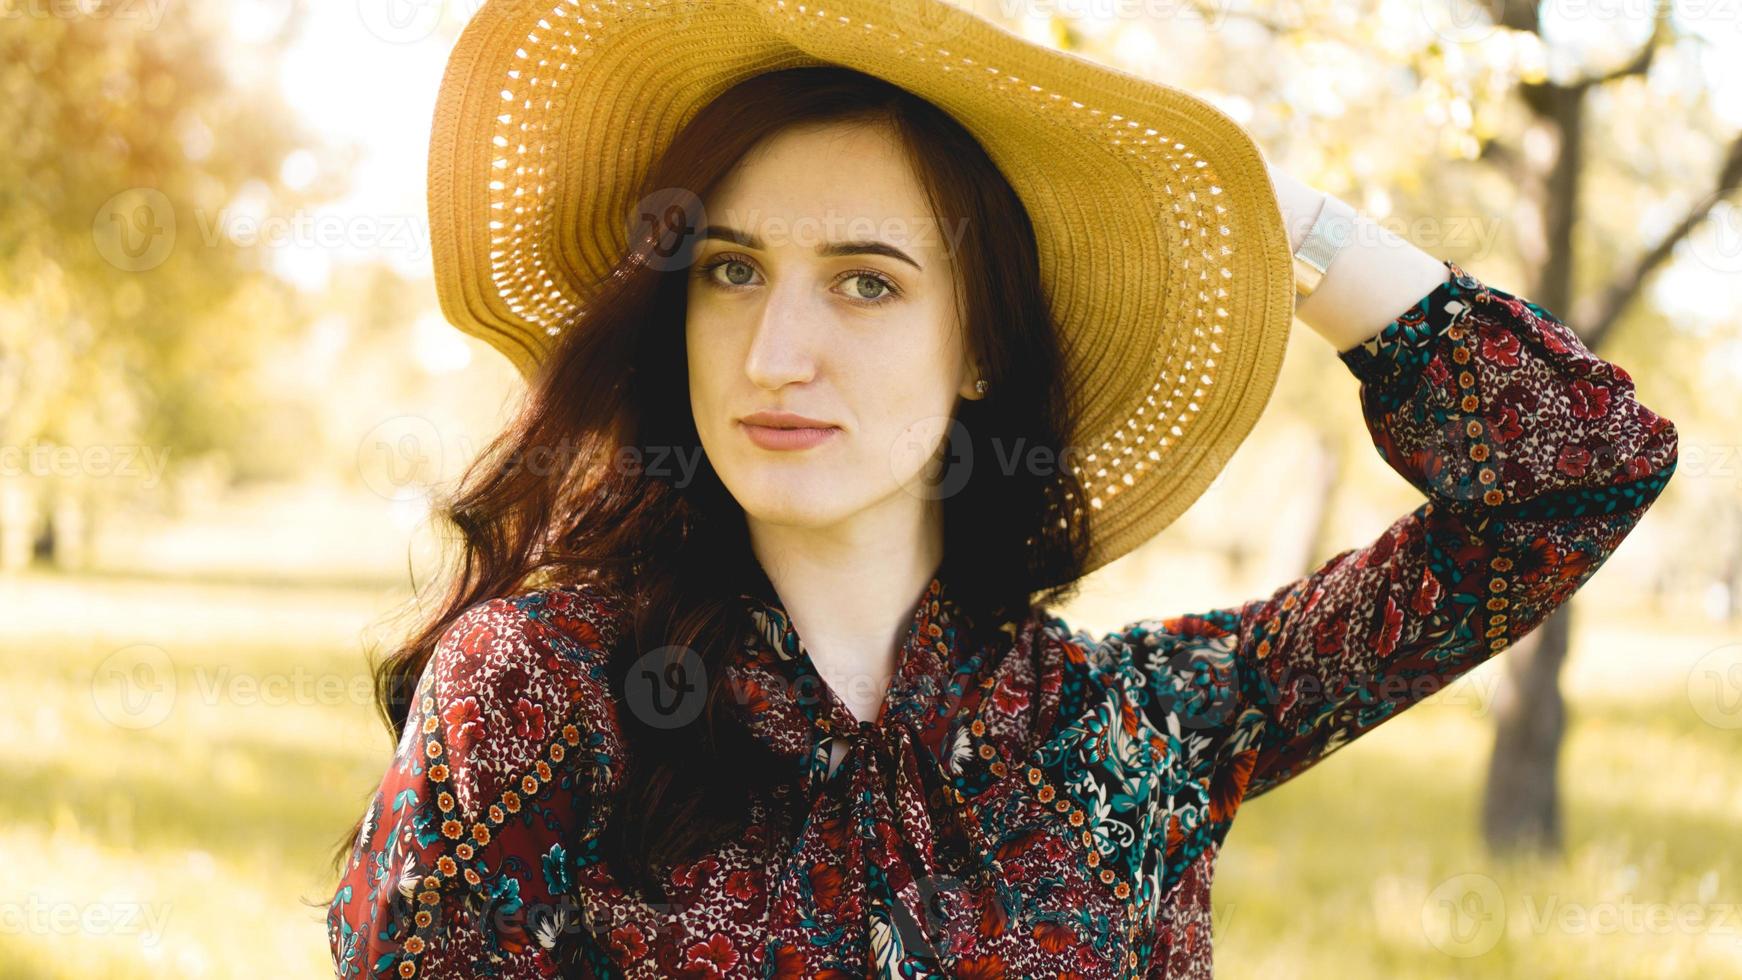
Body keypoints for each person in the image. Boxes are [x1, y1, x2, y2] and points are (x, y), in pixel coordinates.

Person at [323, 2, 1680, 977]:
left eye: (865, 281)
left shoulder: (1132, 730)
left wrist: (1274, 218)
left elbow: (1570, 475)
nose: (775, 355)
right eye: (732, 270)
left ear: (977, 344)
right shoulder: (538, 692)